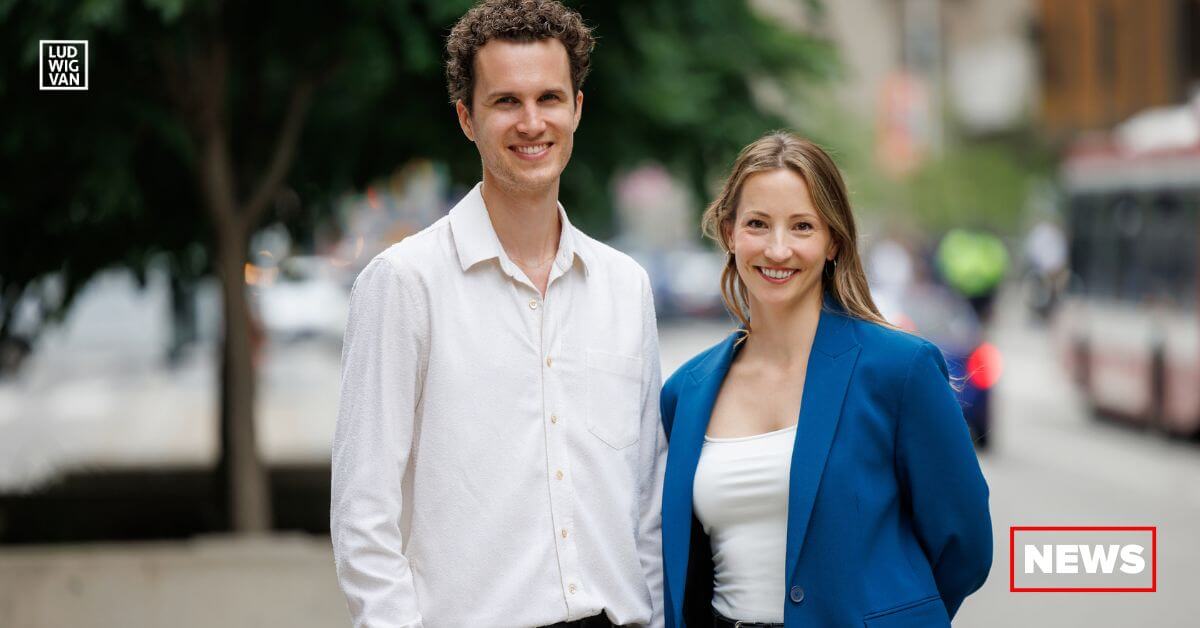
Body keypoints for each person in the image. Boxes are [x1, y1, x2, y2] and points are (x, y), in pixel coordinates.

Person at [330, 2, 666, 626]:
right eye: (506, 101)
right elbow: (362, 515)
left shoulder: (626, 287)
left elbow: (645, 501)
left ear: (577, 110)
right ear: (467, 118)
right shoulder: (404, 284)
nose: (532, 122)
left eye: (550, 98)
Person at [659, 132, 992, 628]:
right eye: (757, 224)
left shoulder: (900, 369)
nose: (777, 249)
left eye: (801, 226)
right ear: (730, 233)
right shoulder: (686, 390)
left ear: (832, 239)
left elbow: (964, 545)